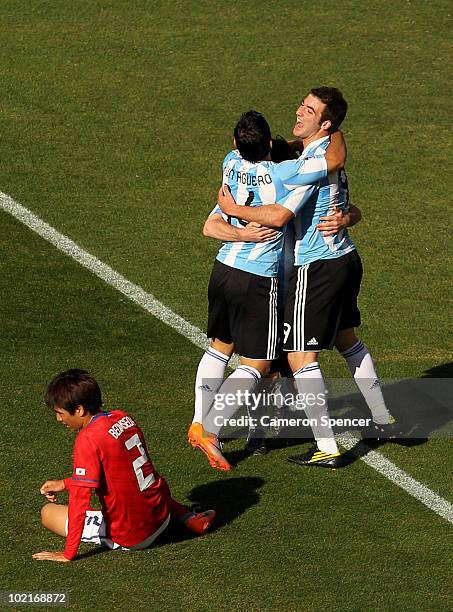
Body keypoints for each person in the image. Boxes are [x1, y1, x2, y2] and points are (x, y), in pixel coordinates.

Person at [218, 87, 396, 468]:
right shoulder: (322, 153)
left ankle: (327, 447)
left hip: (317, 267)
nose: (299, 112)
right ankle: (382, 418)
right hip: (346, 258)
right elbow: (341, 182)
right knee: (348, 339)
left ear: (325, 123)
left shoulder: (309, 166)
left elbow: (280, 217)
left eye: (309, 110)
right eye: (302, 104)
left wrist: (231, 208)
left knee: (299, 357)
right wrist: (349, 216)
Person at [188, 110, 348, 472]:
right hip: (260, 278)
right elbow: (326, 164)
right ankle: (209, 428)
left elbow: (211, 225)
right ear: (271, 145)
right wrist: (333, 129)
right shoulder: (282, 174)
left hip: (223, 269)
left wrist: (236, 218)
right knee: (259, 364)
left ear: (235, 143)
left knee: (219, 347)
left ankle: (204, 420)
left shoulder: (229, 164)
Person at [33, 369, 215, 562]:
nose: (59, 419)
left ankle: (177, 521)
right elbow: (125, 471)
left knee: (48, 513)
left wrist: (68, 553)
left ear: (79, 410)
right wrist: (64, 483)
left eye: (60, 413)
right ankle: (188, 517)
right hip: (162, 515)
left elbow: (80, 501)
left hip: (135, 535)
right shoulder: (123, 418)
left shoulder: (87, 439)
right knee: (141, 482)